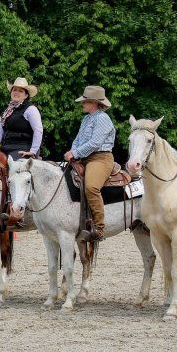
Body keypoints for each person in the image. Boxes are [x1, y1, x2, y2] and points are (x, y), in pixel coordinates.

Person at [64, 86, 116, 242]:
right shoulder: (87, 118)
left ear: (94, 102)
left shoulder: (102, 118)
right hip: (84, 157)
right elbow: (78, 140)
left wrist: (76, 153)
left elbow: (95, 143)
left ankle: (99, 228)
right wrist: (72, 152)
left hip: (100, 158)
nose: (83, 104)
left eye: (85, 101)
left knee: (91, 187)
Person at [0, 77, 43, 160]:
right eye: (14, 90)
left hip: (23, 149)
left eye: (20, 91)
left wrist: (33, 151)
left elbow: (38, 130)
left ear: (26, 95)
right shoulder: (6, 111)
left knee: (11, 166)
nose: (16, 92)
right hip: (5, 149)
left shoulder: (31, 109)